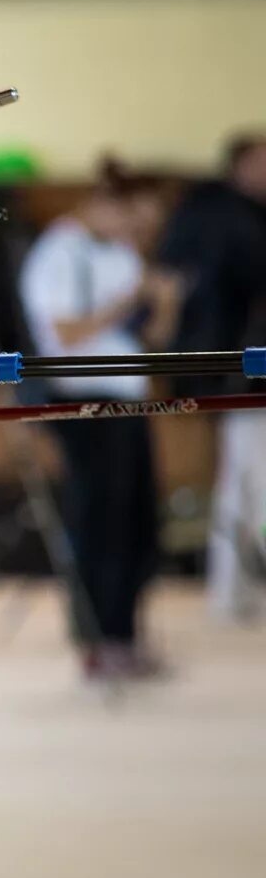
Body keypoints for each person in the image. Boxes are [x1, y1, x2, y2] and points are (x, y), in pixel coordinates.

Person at [20, 159, 182, 682]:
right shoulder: (59, 251)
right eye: (132, 217)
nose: (138, 229)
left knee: (138, 523)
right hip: (85, 401)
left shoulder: (122, 252)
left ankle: (126, 634)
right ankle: (98, 639)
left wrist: (166, 305)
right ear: (104, 203)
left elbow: (149, 339)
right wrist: (129, 300)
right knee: (100, 524)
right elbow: (65, 333)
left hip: (131, 398)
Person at [160, 133, 266, 621]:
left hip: (232, 374)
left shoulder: (223, 215)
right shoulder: (228, 221)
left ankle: (234, 593)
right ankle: (232, 593)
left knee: (241, 485)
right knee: (250, 486)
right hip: (240, 377)